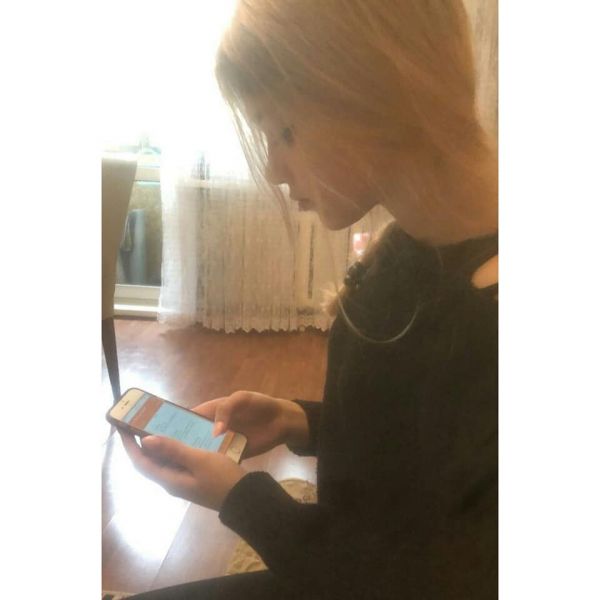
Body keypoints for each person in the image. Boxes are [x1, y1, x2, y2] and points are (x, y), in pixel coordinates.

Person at [121, 0, 498, 598]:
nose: (273, 167)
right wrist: (298, 420)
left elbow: (431, 580)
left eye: (286, 131)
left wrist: (241, 499)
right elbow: (423, 441)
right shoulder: (414, 246)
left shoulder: (495, 318)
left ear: (373, 91)